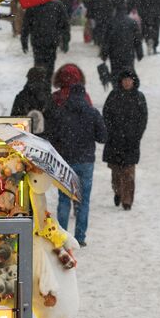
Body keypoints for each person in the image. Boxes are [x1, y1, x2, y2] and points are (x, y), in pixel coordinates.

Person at [44, 64, 107, 247]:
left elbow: (52, 136)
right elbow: (103, 137)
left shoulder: (60, 111)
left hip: (65, 160)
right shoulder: (92, 112)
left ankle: (62, 236)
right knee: (83, 200)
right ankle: (80, 237)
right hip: (86, 161)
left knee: (64, 199)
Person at [101, 68, 148, 210]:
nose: (127, 83)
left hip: (131, 142)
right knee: (116, 171)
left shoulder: (139, 97)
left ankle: (127, 200)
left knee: (128, 172)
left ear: (134, 81)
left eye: (129, 80)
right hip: (114, 140)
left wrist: (137, 135)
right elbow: (106, 115)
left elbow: (143, 119)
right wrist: (111, 132)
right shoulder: (113, 96)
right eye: (125, 80)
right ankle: (118, 192)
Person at [21, 0, 70, 77]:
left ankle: (41, 83)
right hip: (51, 40)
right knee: (49, 65)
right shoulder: (58, 5)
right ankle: (46, 83)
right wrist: (65, 40)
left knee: (39, 65)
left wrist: (24, 40)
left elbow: (26, 25)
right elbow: (65, 24)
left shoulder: (33, 6)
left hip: (39, 41)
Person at [103, 5, 144, 87]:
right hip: (128, 54)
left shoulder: (111, 22)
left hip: (115, 55)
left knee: (115, 75)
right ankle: (127, 92)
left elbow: (106, 40)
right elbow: (137, 40)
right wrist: (140, 53)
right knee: (128, 74)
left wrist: (104, 54)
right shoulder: (132, 22)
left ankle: (116, 91)